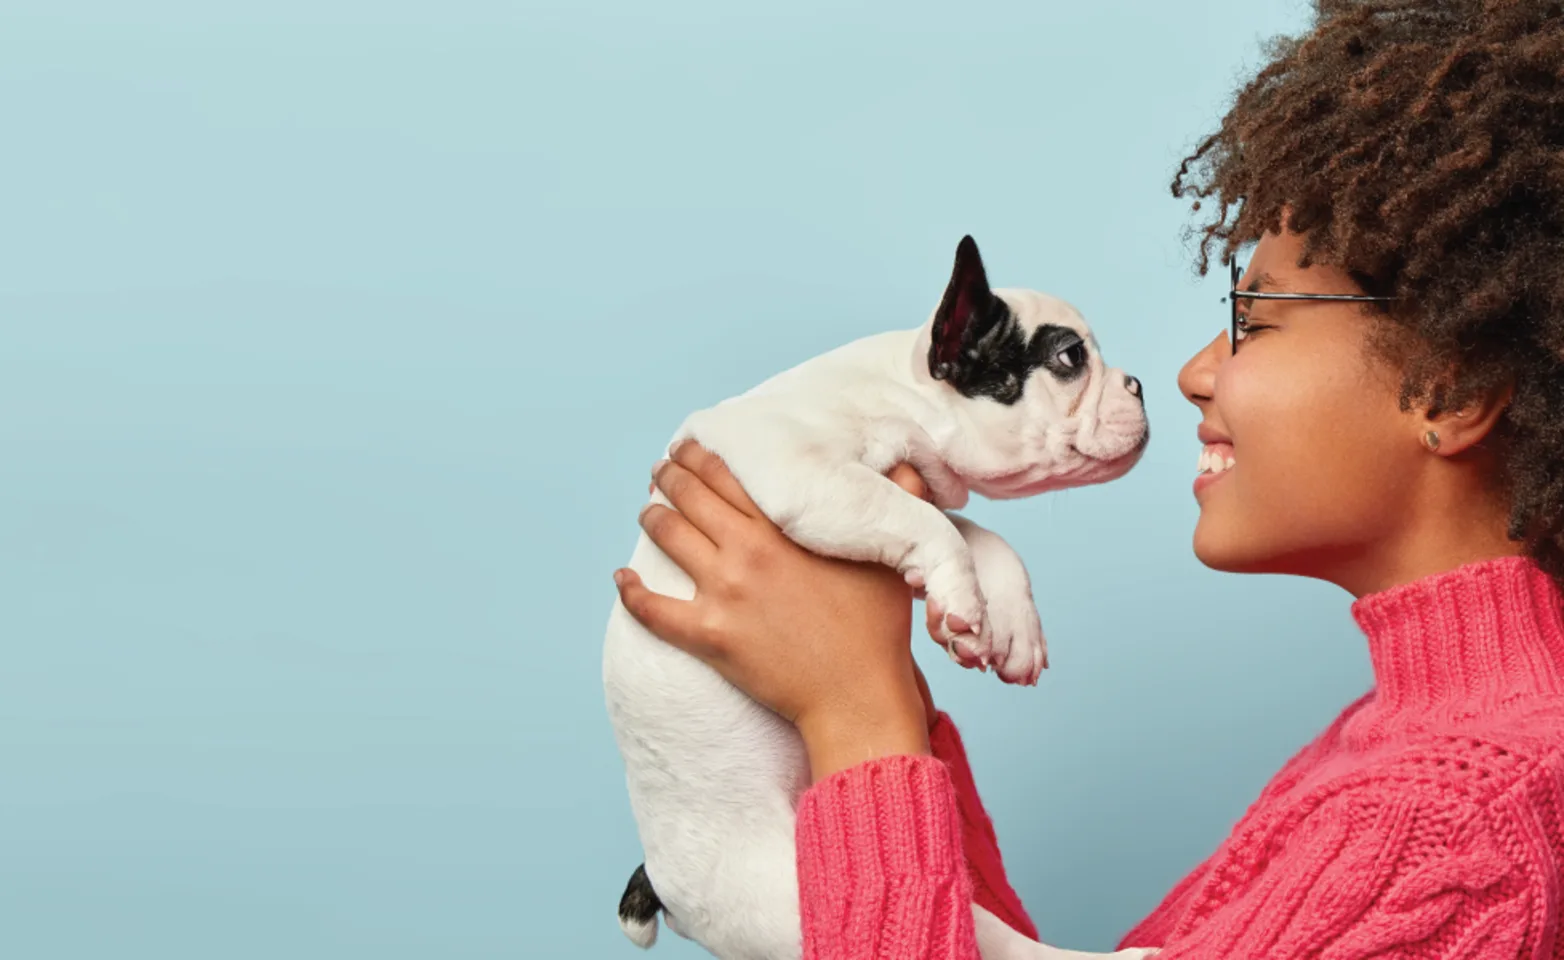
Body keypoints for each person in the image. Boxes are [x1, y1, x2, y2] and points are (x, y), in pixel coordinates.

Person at [611, 2, 1564, 957]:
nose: (1194, 371)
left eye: (1256, 320)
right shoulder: (1398, 750)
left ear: (1451, 388)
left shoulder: (1458, 825)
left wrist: (859, 718)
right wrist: (859, 686)